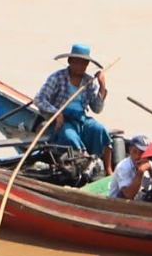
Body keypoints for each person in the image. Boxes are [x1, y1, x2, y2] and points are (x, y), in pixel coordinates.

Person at [35, 42, 114, 175]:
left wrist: (102, 87)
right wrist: (57, 113)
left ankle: (108, 169)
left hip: (81, 119)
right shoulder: (57, 78)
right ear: (70, 61)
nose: (80, 66)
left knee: (100, 130)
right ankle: (84, 162)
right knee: (69, 136)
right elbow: (39, 100)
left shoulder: (88, 82)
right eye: (77, 62)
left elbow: (97, 108)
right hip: (64, 121)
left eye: (84, 63)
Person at [109, 134, 152, 199]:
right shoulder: (122, 167)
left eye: (142, 153)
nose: (138, 156)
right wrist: (140, 172)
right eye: (135, 152)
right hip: (119, 204)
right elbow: (128, 195)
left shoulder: (151, 165)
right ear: (130, 150)